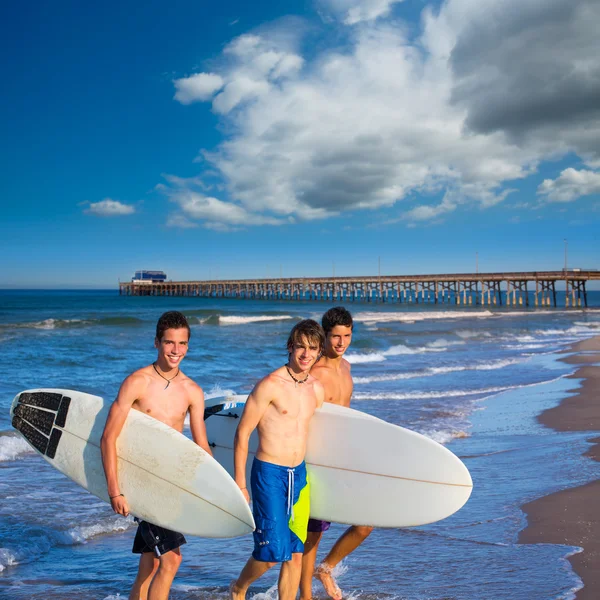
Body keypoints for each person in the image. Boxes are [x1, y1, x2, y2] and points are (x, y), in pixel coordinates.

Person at [100, 311, 212, 600]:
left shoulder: (192, 391)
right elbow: (108, 437)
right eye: (169, 342)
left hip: (170, 482)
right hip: (141, 481)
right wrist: (115, 491)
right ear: (157, 343)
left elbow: (201, 446)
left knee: (149, 564)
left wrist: (217, 489)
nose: (176, 350)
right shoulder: (137, 382)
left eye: (182, 343)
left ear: (188, 345)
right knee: (172, 559)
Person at [230, 319, 325, 600]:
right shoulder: (270, 385)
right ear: (290, 347)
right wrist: (240, 482)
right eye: (300, 347)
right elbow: (242, 433)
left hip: (299, 474)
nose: (306, 354)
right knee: (272, 553)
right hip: (269, 473)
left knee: (296, 551)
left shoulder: (316, 389)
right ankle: (239, 587)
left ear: (319, 352)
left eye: (312, 349)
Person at [299, 306, 373, 600]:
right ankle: (305, 595)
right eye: (334, 336)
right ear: (324, 335)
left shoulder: (347, 367)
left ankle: (325, 569)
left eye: (346, 336)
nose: (341, 343)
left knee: (365, 523)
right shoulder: (313, 372)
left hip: (343, 457)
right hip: (317, 459)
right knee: (312, 535)